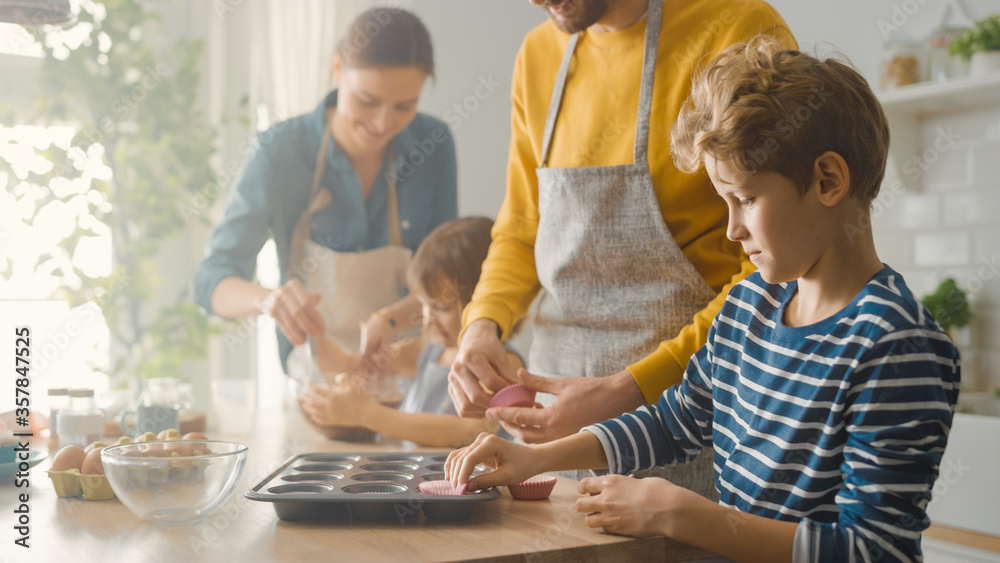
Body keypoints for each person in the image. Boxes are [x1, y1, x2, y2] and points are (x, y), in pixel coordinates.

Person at [445, 36, 960, 563]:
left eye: (746, 198)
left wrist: (682, 514)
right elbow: (675, 422)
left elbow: (872, 551)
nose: (733, 230)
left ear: (828, 180)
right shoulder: (748, 305)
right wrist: (535, 459)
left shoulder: (897, 345)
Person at [448, 0, 795, 496]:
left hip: (687, 417)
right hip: (546, 444)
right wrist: (481, 327)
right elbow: (522, 230)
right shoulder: (538, 53)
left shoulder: (738, 27)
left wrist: (630, 387)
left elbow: (769, 268)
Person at [192, 7, 457, 385]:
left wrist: (390, 319)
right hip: (311, 379)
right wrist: (269, 300)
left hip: (410, 375)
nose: (383, 123)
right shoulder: (280, 152)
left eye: (404, 107)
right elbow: (211, 280)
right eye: (367, 101)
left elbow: (450, 281)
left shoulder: (435, 145)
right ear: (337, 69)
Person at [298, 217, 525, 447]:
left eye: (441, 307)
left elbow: (471, 432)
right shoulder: (425, 350)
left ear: (484, 301)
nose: (428, 319)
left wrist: (367, 414)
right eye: (424, 305)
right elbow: (348, 364)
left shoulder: (504, 363)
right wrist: (313, 332)